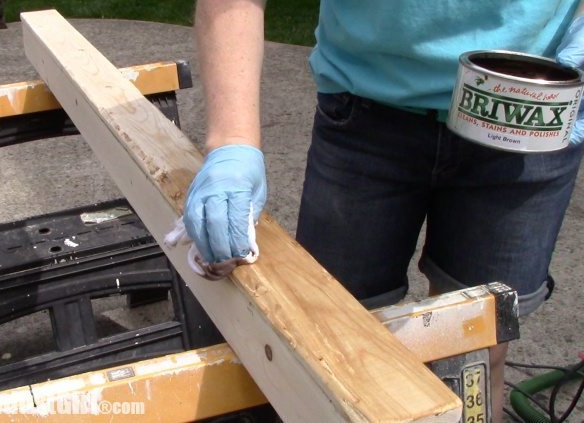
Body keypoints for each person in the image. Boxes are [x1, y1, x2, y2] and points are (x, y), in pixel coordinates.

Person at [181, 1, 584, 421]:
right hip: (368, 112)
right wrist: (231, 143)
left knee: (474, 355)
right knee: (331, 345)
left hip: (528, 115)